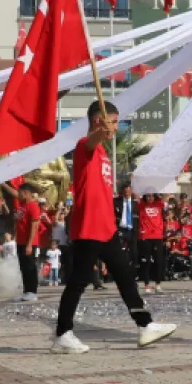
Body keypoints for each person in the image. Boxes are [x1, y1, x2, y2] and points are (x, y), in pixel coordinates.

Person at [52, 101, 175, 354]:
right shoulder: (85, 147)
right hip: (89, 225)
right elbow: (90, 140)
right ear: (99, 122)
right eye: (114, 121)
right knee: (78, 280)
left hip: (106, 227)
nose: (116, 127)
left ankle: (145, 325)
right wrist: (100, 132)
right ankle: (63, 334)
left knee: (125, 276)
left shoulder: (104, 153)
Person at [13, 184, 42, 302]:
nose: (18, 195)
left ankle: (32, 291)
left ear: (25, 193)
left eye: (19, 193)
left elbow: (34, 226)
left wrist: (30, 244)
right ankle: (26, 291)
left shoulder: (33, 206)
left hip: (29, 242)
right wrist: (16, 219)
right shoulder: (23, 206)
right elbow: (20, 223)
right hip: (20, 242)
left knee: (30, 267)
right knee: (23, 268)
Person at [138, 193, 166, 293]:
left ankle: (158, 284)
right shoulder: (141, 205)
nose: (150, 198)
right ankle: (147, 284)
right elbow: (137, 194)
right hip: (145, 236)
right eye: (148, 196)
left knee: (158, 261)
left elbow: (166, 195)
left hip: (157, 236)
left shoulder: (159, 204)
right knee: (146, 262)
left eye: (152, 196)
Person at [114, 185, 140, 273]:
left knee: (134, 250)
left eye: (128, 191)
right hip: (121, 228)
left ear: (131, 191)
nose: (127, 193)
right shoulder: (117, 202)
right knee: (120, 250)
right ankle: (120, 269)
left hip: (132, 229)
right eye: (125, 192)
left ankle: (134, 269)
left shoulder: (136, 203)